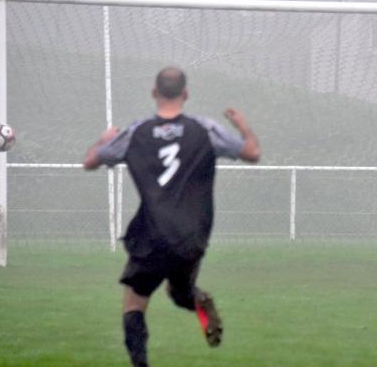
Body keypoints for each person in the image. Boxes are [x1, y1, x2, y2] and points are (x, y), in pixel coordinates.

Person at [83, 66, 260, 367]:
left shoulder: (136, 131)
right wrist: (242, 126)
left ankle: (141, 364)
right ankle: (198, 300)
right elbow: (253, 152)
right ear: (186, 94)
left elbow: (90, 162)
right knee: (178, 294)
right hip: (192, 236)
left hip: (152, 233)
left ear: (154, 92)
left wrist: (103, 139)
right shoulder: (204, 129)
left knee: (134, 304)